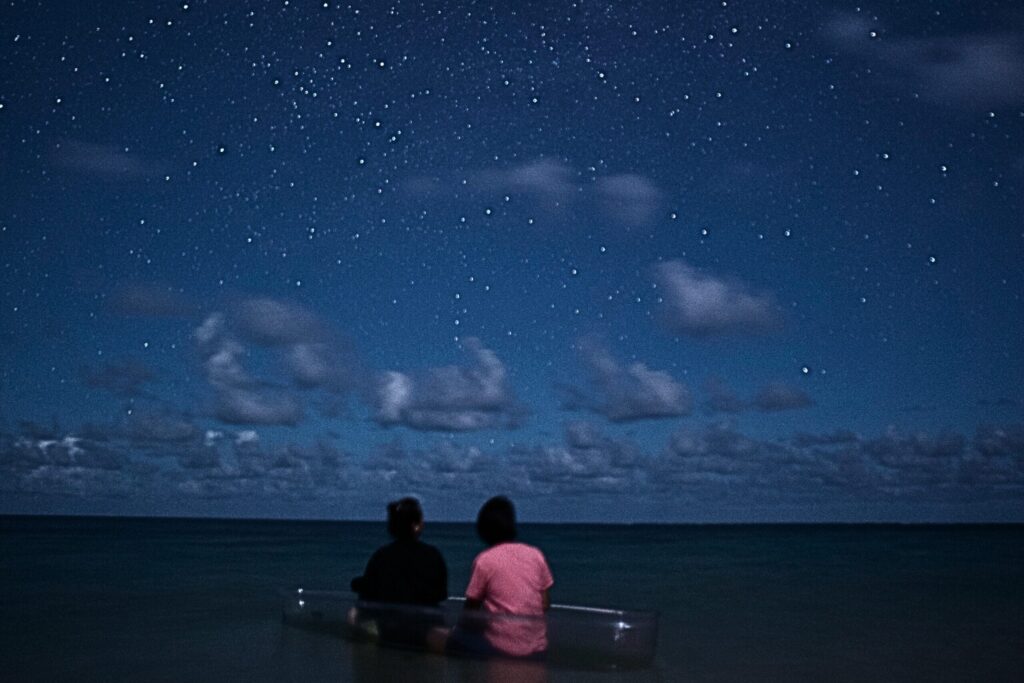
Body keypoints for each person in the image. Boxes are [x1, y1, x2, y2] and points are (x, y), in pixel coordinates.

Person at [459, 495, 554, 658]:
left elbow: (470, 611)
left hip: (499, 647)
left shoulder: (485, 560)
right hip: (537, 648)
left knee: (457, 640)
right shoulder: (535, 554)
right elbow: (544, 603)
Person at [349, 498, 448, 648]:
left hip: (388, 629)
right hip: (424, 629)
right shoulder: (432, 555)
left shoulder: (381, 556)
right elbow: (440, 594)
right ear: (415, 525)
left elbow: (368, 589)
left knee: (353, 613)